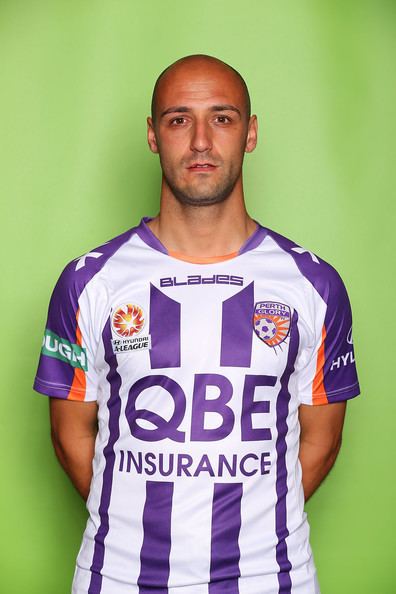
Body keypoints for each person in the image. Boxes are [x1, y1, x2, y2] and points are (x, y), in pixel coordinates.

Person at [33, 54, 360, 594]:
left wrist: (255, 523)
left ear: (250, 134)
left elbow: (320, 441)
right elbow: (71, 434)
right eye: (179, 119)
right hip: (118, 577)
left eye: (223, 118)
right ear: (153, 135)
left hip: (270, 579)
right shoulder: (89, 282)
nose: (202, 141)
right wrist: (137, 521)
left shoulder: (313, 284)